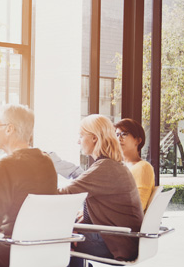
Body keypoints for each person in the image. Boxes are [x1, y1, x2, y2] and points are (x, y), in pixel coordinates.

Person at [0, 104, 58, 267]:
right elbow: (16, 183)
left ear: (9, 129)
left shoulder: (6, 164)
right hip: (40, 248)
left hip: (9, 249)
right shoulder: (45, 160)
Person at [59, 114, 143, 267]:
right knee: (68, 234)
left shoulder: (105, 168)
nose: (78, 141)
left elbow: (63, 193)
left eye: (81, 135)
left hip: (118, 244)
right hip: (125, 240)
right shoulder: (111, 164)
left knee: (57, 239)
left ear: (94, 138)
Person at [115, 118, 156, 209]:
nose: (119, 138)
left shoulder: (143, 167)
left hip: (123, 220)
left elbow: (138, 206)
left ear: (138, 140)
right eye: (117, 134)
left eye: (124, 134)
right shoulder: (119, 166)